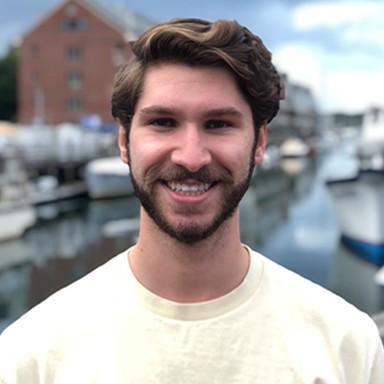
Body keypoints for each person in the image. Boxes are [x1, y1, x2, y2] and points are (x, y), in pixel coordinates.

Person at [0, 18, 383, 384]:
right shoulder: (29, 357)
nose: (191, 156)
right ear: (123, 141)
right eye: (163, 122)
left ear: (260, 143)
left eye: (218, 124)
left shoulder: (348, 346)